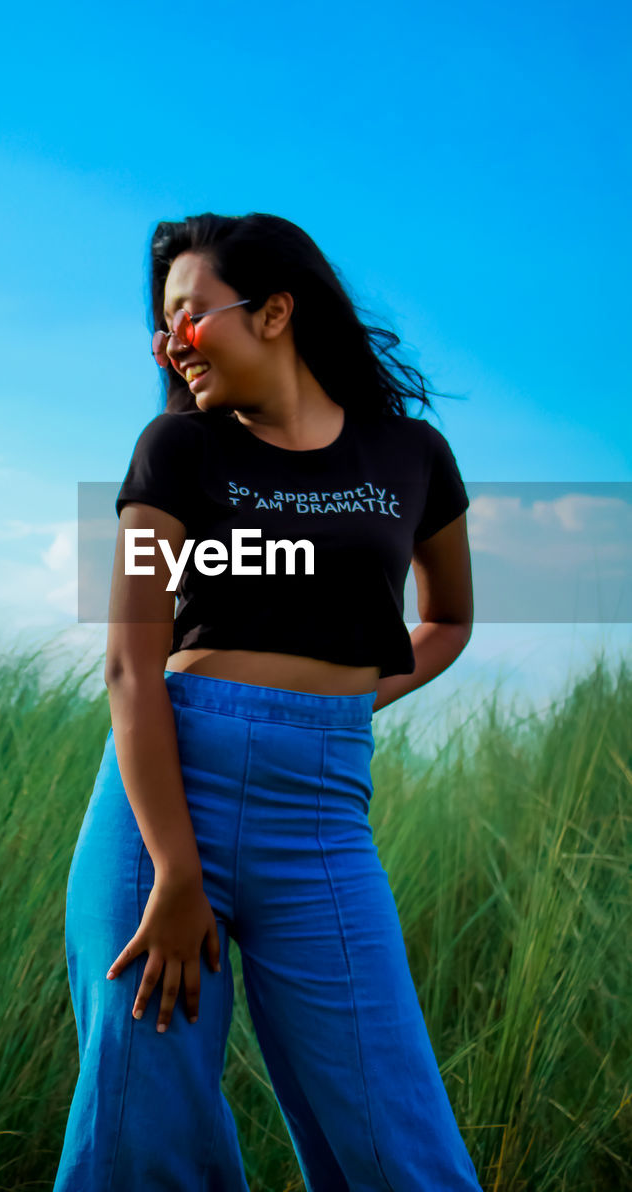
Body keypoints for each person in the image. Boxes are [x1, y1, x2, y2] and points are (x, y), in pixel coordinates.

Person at [52, 212, 483, 1191]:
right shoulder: (176, 450)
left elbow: (449, 617)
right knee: (144, 1134)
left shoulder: (411, 457)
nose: (170, 343)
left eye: (190, 315)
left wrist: (336, 703)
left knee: (395, 1135)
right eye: (161, 327)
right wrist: (173, 871)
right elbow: (131, 662)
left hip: (321, 812)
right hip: (163, 793)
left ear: (275, 311)